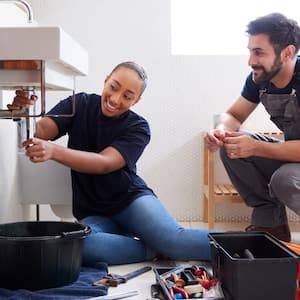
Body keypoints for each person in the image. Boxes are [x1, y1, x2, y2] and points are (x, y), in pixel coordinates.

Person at [11, 61, 215, 265]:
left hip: (131, 201)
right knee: (81, 244)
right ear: (106, 80)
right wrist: (24, 112)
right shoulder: (79, 104)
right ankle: (152, 249)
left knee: (174, 241)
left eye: (127, 96)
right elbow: (42, 130)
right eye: (114, 87)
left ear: (136, 101)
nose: (115, 99)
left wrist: (54, 151)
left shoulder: (138, 127)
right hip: (93, 211)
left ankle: (242, 244)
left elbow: (104, 163)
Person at [205, 13, 300, 242]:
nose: (250, 61)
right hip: (293, 152)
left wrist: (256, 147)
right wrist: (220, 130)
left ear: (287, 52)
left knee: (284, 179)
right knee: (233, 145)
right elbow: (234, 114)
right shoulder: (260, 79)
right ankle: (272, 227)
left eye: (259, 52)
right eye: (250, 51)